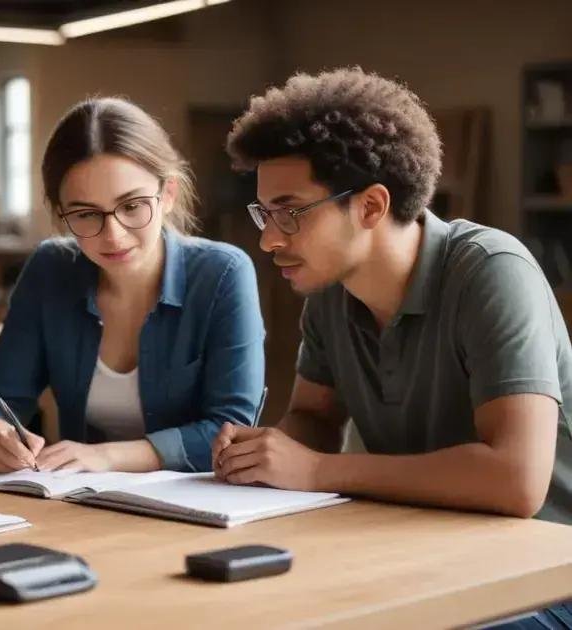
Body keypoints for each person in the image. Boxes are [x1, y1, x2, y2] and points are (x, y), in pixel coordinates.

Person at [214, 67, 572, 628]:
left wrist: (316, 472)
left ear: (372, 206)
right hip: (422, 552)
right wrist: (266, 452)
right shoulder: (331, 295)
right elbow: (314, 416)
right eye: (264, 213)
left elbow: (515, 481)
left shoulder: (492, 272)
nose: (268, 238)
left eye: (290, 212)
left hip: (541, 577)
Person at [0, 97, 265, 474]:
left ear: (167, 194)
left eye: (132, 206)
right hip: (84, 508)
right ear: (61, 213)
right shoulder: (51, 268)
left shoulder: (222, 273)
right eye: (86, 214)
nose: (113, 236)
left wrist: (106, 456)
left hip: (199, 510)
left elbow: (231, 432)